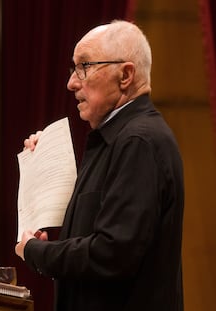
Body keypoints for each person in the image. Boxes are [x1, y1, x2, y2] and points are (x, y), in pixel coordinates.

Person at [15, 20, 184, 311]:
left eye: (84, 66)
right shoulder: (117, 137)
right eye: (73, 68)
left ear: (126, 75)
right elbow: (100, 228)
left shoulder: (138, 142)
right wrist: (45, 162)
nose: (71, 82)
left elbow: (112, 254)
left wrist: (37, 252)